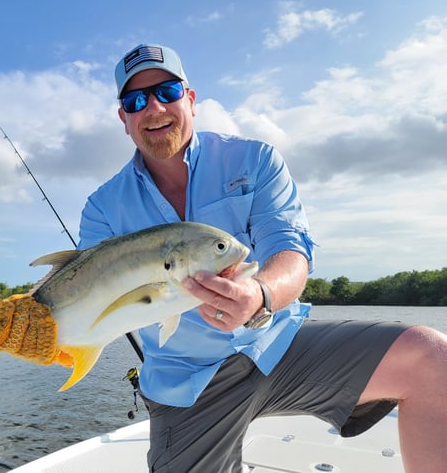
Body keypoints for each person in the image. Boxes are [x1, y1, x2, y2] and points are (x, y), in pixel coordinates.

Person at [77, 43, 447, 472]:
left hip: (277, 345)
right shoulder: (102, 208)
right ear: (124, 119)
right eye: (135, 100)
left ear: (191, 100)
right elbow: (85, 295)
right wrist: (42, 328)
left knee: (431, 359)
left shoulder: (255, 159)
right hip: (187, 381)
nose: (153, 107)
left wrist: (260, 294)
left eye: (167, 91)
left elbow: (291, 250)